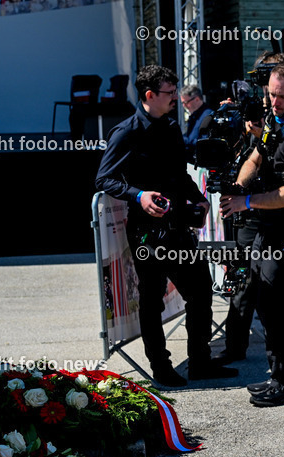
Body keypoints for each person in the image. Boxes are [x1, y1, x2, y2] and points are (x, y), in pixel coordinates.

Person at [95, 65, 235, 387]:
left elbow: (180, 173)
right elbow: (103, 178)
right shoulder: (126, 132)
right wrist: (139, 195)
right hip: (146, 229)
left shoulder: (171, 127)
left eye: (175, 93)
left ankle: (200, 362)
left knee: (200, 290)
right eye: (170, 94)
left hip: (176, 226)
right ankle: (161, 367)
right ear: (149, 96)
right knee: (152, 299)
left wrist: (198, 198)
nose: (176, 99)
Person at [217, 59, 284, 407]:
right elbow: (256, 157)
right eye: (271, 94)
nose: (274, 102)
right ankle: (280, 375)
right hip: (272, 223)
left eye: (282, 96)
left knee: (275, 300)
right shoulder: (274, 123)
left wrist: (245, 201)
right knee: (266, 299)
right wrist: (237, 186)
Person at [180, 84, 215, 163]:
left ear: (197, 99)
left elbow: (206, 142)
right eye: (182, 103)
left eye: (186, 102)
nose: (184, 106)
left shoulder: (208, 115)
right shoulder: (194, 115)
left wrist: (184, 140)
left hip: (203, 162)